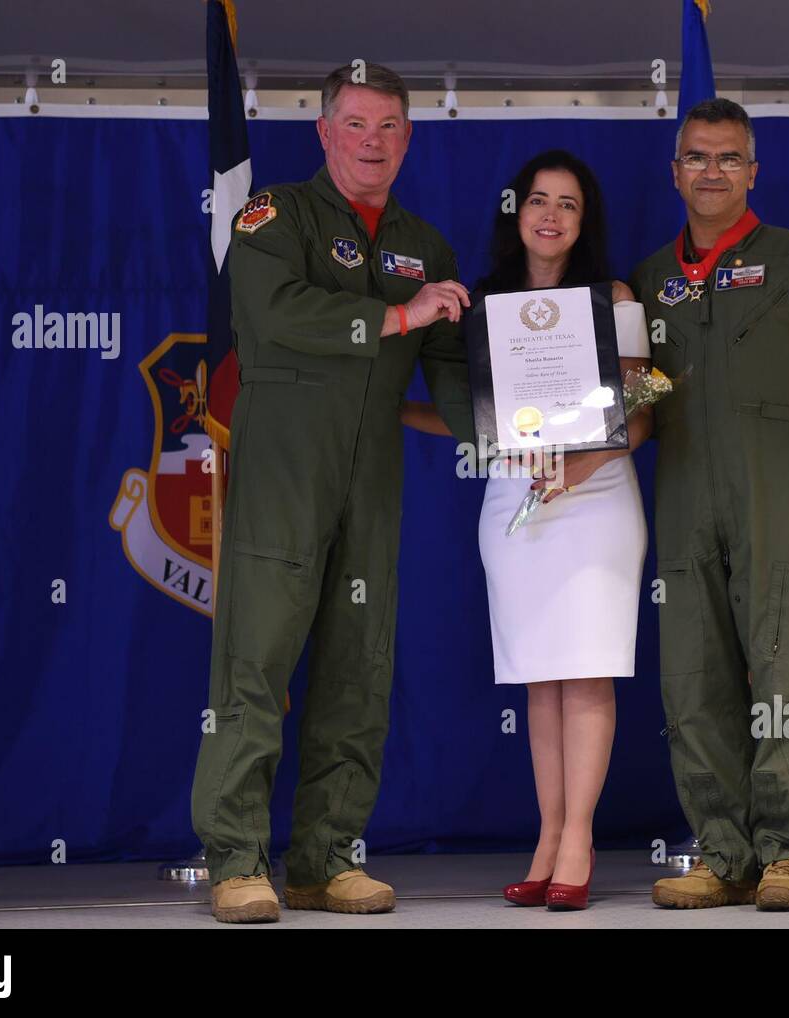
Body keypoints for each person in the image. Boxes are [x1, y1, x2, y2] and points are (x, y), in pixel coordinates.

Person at [191, 62, 478, 923]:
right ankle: (238, 860)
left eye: (389, 126)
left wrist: (518, 437)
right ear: (324, 132)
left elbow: (451, 365)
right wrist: (395, 316)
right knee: (256, 667)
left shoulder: (424, 247)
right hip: (284, 476)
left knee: (360, 671)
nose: (372, 142)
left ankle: (325, 858)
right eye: (355, 124)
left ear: (408, 139)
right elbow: (277, 313)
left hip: (371, 485)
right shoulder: (273, 215)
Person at [629, 98, 789, 911]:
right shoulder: (648, 281)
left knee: (784, 664)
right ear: (675, 173)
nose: (712, 172)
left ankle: (785, 852)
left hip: (775, 486)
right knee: (693, 672)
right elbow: (636, 393)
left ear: (753, 172)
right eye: (697, 158)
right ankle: (721, 849)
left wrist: (781, 435)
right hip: (682, 488)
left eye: (728, 158)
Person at [403, 150, 652, 911]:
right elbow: (473, 422)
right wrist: (382, 414)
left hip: (598, 496)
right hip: (513, 499)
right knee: (540, 677)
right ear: (516, 214)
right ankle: (547, 836)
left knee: (587, 668)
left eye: (568, 204)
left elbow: (640, 413)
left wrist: (574, 472)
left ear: (585, 221)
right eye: (538, 200)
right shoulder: (484, 306)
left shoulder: (615, 298)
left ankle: (578, 839)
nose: (550, 215)